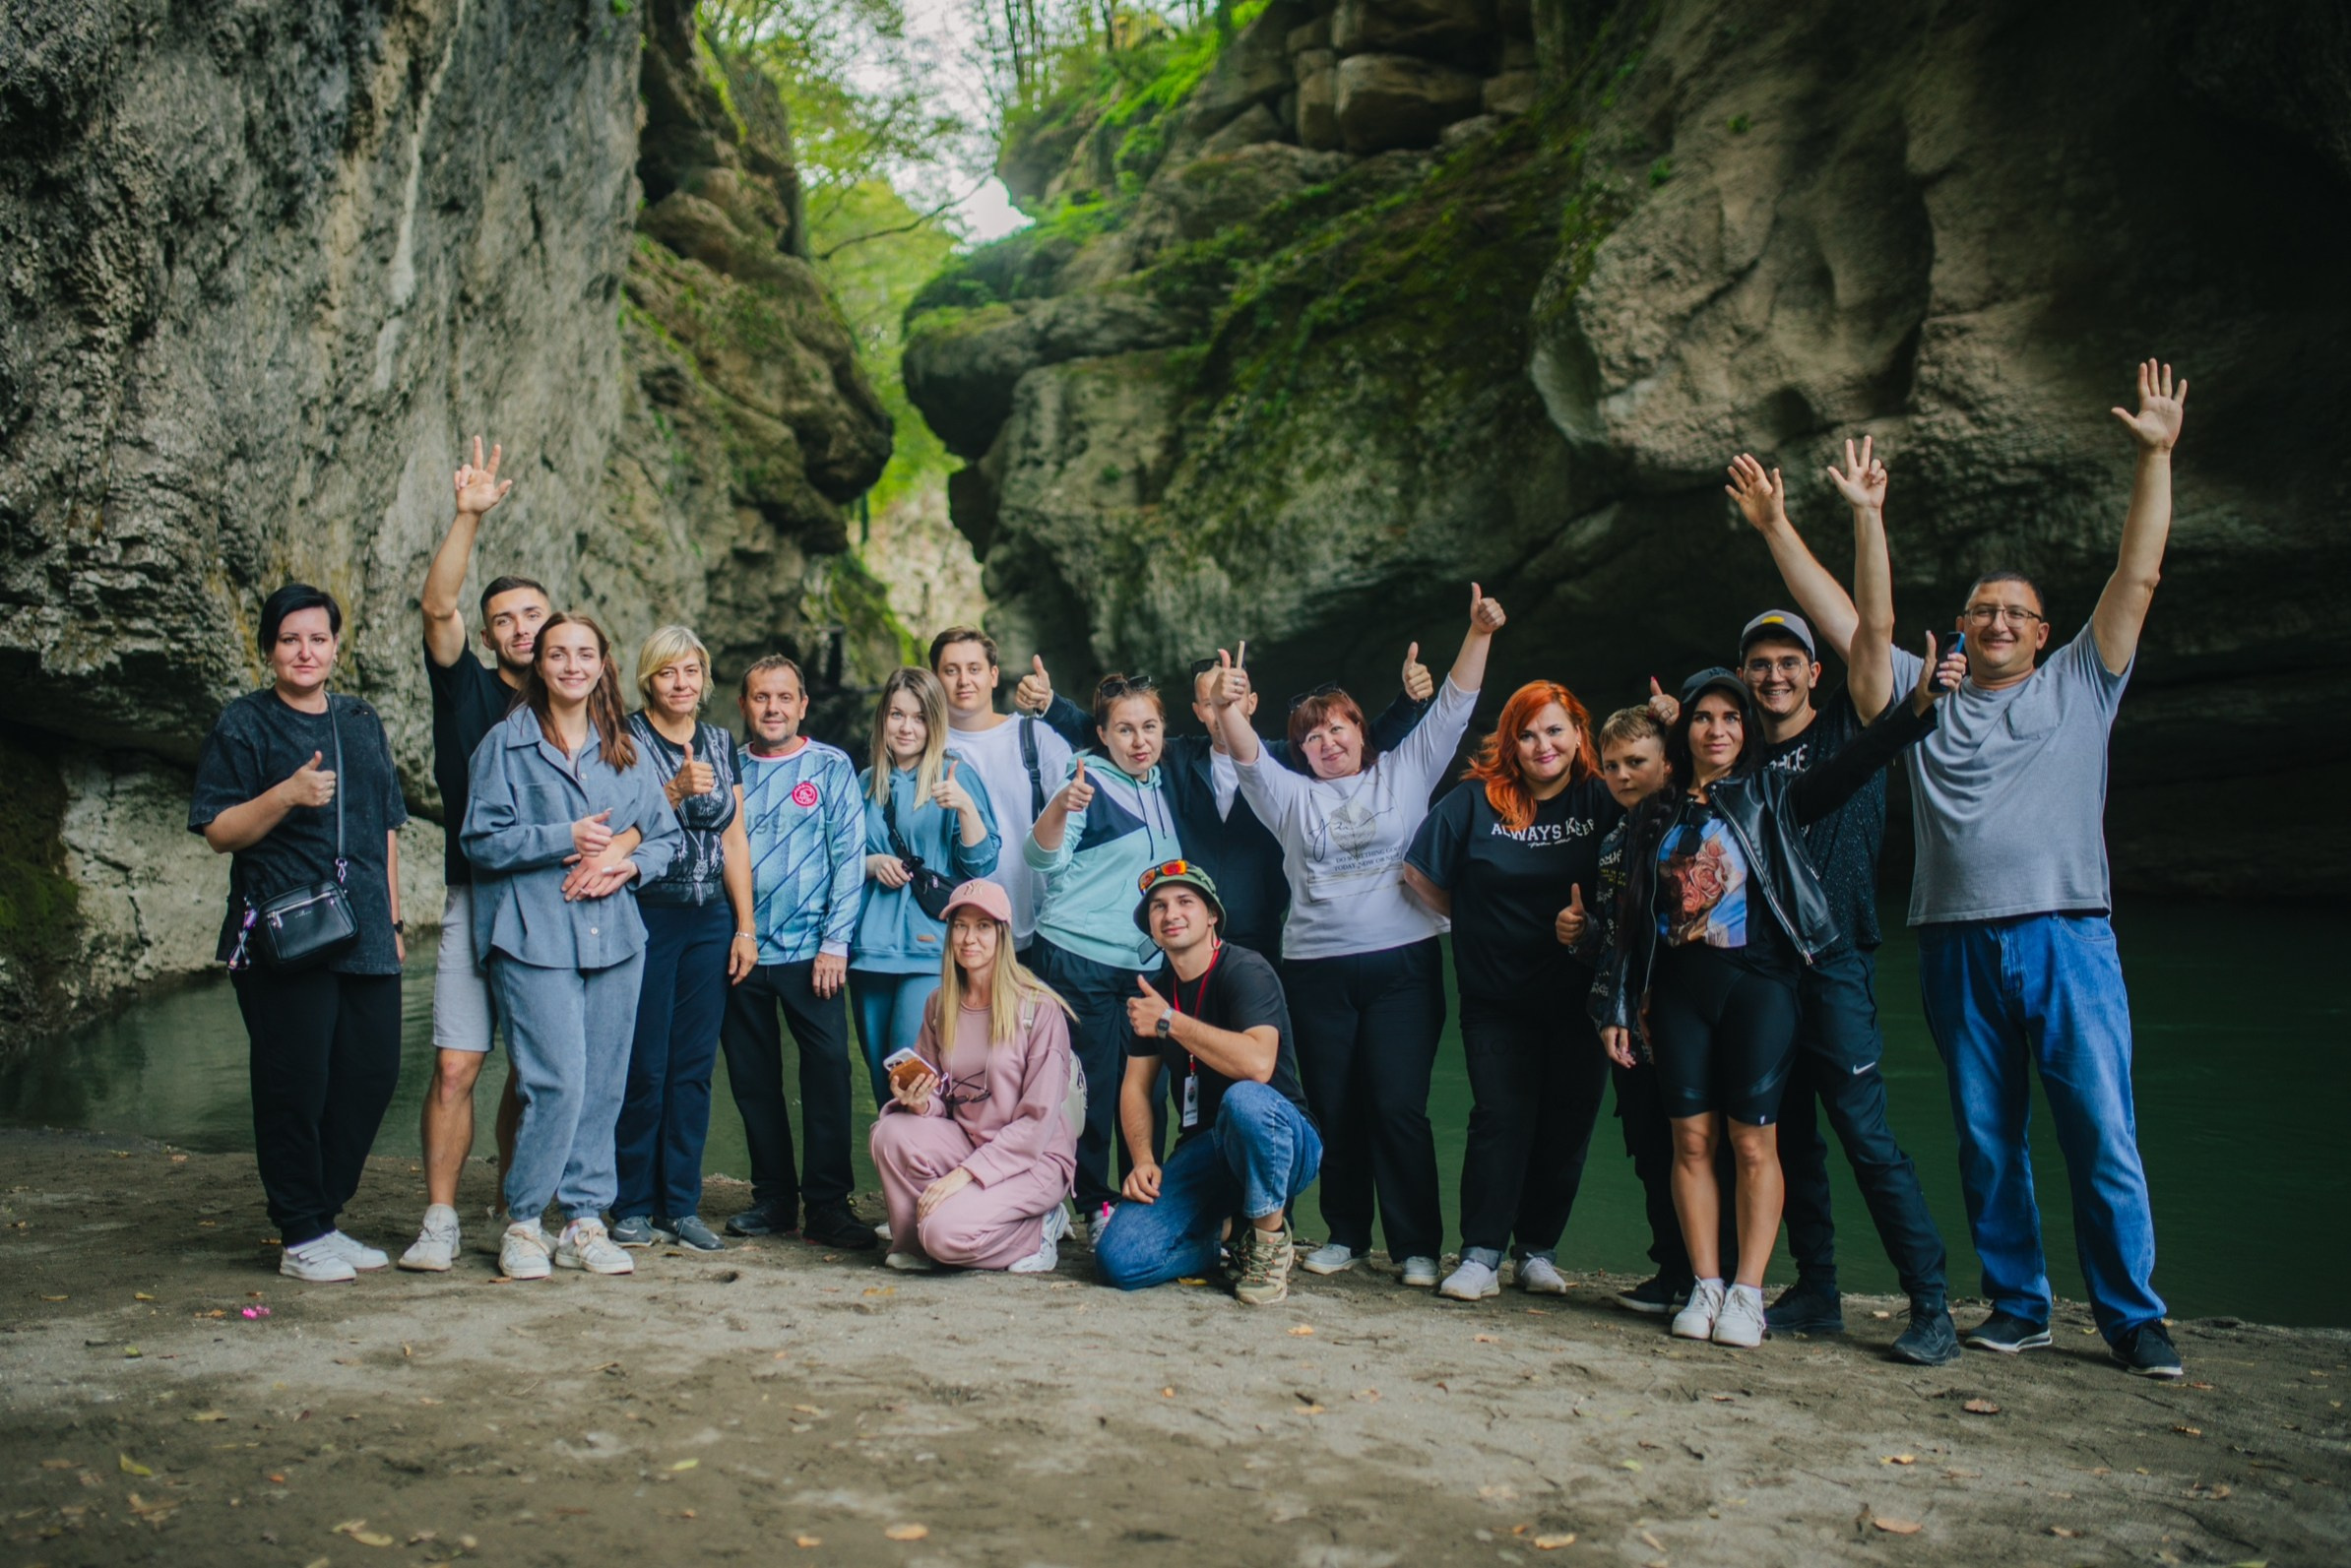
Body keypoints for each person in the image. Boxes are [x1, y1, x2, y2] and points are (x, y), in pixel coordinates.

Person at [1743, 361, 2192, 1378]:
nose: (1993, 623)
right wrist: (1790, 526)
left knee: (2100, 1129)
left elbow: (2139, 578)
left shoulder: (2084, 681)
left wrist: (2156, 457)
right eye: (1981, 610)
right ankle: (2020, 1302)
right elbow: (1850, 626)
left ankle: (2132, 1315)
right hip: (1951, 938)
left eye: (2014, 615)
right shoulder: (1922, 696)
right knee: (1985, 1136)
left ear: (2043, 635)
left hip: (2067, 931)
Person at [1593, 648, 1958, 1348]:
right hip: (1678, 994)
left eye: (1731, 716)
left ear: (1746, 729)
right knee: (1693, 1140)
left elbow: (1850, 767)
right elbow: (1631, 918)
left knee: (1762, 1142)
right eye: (1703, 717)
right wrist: (1616, 1004)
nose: (1717, 728)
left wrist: (1914, 711)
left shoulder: (1770, 794)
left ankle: (1760, 1292)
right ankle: (1707, 1284)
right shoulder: (1654, 811)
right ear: (1685, 731)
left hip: (1763, 985)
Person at [1203, 584, 1506, 1287]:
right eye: (1311, 734)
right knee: (1334, 1104)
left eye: (1337, 727)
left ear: (1362, 731)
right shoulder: (1290, 796)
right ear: (1302, 750)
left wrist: (1479, 632)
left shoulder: (1405, 771)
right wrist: (1224, 704)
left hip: (1404, 965)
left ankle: (1417, 1246)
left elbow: (1453, 706)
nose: (1326, 741)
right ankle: (1345, 1232)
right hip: (1316, 969)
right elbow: (1248, 757)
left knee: (1397, 1105)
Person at [404, 439, 644, 1273]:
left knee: (558, 1073)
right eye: (503, 620)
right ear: (497, 636)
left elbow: (648, 808)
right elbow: (438, 608)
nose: (521, 631)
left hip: (585, 913)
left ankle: (540, 1210)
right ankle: (448, 1217)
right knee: (465, 1062)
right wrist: (469, 515)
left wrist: (626, 850)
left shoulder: (607, 728)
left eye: (534, 620)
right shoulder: (478, 703)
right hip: (487, 897)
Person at [190, 585, 410, 1283]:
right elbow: (220, 831)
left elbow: (386, 826)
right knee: (296, 1083)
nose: (305, 651)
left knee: (370, 1075)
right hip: (286, 932)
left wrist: (396, 920)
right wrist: (284, 795)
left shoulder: (360, 719)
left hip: (366, 928)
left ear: (337, 648)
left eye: (317, 638)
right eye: (290, 640)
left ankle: (322, 1211)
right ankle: (301, 1232)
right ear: (268, 650)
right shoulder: (246, 724)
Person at [461, 612, 681, 1281]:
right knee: (555, 1080)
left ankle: (585, 1220)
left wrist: (628, 864)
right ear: (539, 663)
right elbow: (479, 840)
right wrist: (564, 835)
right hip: (533, 937)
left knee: (605, 1085)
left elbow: (667, 836)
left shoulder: (628, 749)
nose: (572, 665)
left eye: (585, 653)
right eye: (558, 653)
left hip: (616, 939)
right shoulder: (505, 745)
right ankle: (524, 1221)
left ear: (603, 663)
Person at [1404, 680, 1621, 1300]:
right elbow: (1418, 873)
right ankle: (1479, 1254)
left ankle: (1537, 1252)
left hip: (1583, 995)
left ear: (1579, 734)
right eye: (1526, 733)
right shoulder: (1475, 802)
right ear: (1509, 743)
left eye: (1554, 730)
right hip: (1496, 998)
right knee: (1500, 1118)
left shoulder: (1602, 798)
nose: (1541, 744)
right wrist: (1472, 920)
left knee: (1568, 1122)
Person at [1013, 644, 1435, 959]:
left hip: (1262, 933)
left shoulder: (1286, 763)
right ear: (1199, 710)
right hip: (1187, 936)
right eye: (1212, 702)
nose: (1222, 710)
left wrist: (1410, 702)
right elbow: (1111, 733)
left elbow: (1357, 745)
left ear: (1251, 703)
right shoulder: (1175, 759)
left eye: (1231, 699)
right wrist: (1050, 706)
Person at [1096, 863, 1320, 1305]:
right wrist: (1142, 1159)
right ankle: (1232, 1235)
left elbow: (1258, 1064)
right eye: (1158, 907)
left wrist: (1171, 1023)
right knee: (1118, 1260)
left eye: (1185, 902)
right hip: (1208, 1150)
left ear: (1212, 915)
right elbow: (1137, 1088)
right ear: (1153, 930)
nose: (1170, 913)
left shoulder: (1246, 970)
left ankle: (1270, 1242)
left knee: (1244, 1100)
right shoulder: (1155, 992)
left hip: (1282, 1139)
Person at [608, 626, 756, 1254]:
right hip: (647, 913)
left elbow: (734, 840)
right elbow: (613, 831)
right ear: (649, 679)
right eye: (668, 673)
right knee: (644, 1064)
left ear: (705, 679)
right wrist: (668, 794)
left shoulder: (722, 743)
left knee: (693, 1069)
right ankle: (631, 1204)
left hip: (709, 920)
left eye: (691, 672)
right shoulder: (624, 738)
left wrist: (745, 926)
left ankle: (682, 1205)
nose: (681, 684)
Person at [1022, 674, 1184, 1244]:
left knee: (1149, 1090)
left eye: (1148, 727)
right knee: (1088, 1087)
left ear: (1163, 730)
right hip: (1078, 956)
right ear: (1102, 734)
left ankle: (1140, 1192)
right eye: (1124, 729)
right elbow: (1042, 859)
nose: (1139, 740)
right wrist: (1062, 807)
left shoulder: (1165, 784)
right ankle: (1092, 1203)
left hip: (1144, 966)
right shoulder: (1084, 780)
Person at [716, 655, 870, 1249]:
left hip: (813, 952)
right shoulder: (726, 766)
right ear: (744, 705)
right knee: (755, 1080)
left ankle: (829, 1205)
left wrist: (836, 943)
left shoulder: (830, 766)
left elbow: (848, 858)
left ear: (803, 705)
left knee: (829, 1071)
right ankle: (774, 1200)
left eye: (784, 697)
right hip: (743, 950)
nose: (772, 708)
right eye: (761, 698)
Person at [1557, 706, 1706, 1315]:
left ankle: (1705, 1275)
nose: (1621, 775)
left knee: (1694, 1146)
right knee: (1648, 1147)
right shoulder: (1615, 836)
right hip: (1622, 1018)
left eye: (1636, 762)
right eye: (1612, 764)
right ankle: (1671, 1271)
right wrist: (1582, 932)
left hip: (1679, 1013)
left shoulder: (1688, 821)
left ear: (1668, 763)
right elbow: (1617, 939)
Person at [869, 880, 1080, 1273]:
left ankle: (1040, 1226)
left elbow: (1036, 1125)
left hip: (1032, 1160)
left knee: (945, 1236)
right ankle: (914, 1242)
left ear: (1002, 935)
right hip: (969, 1143)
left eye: (983, 927)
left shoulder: (1039, 1010)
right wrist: (917, 1099)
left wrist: (962, 1177)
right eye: (961, 926)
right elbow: (940, 1101)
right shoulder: (939, 1004)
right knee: (891, 1131)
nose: (970, 938)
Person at [852, 667, 1002, 1108]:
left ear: (934, 723)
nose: (906, 727)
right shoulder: (865, 783)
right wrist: (872, 863)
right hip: (869, 949)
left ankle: (930, 1172)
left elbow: (981, 867)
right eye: (897, 714)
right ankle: (893, 1176)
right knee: (882, 1078)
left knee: (913, 1075)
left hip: (928, 947)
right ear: (883, 718)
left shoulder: (954, 775)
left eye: (918, 718)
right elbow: (838, 862)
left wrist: (966, 808)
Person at [929, 628, 1073, 953]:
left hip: (1037, 925)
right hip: (957, 932)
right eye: (951, 671)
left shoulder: (1035, 737)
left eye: (974, 669)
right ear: (935, 679)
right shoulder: (926, 749)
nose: (964, 680)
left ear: (994, 675)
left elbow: (1078, 821)